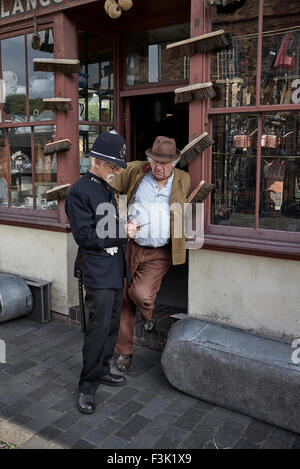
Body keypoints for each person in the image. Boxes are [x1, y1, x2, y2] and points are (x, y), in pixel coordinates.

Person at [65, 130, 138, 414]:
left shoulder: (106, 188)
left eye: (117, 166)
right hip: (96, 272)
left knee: (111, 326)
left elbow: (106, 226)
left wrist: (124, 223)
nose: (115, 171)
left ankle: (102, 369)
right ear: (96, 161)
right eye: (111, 166)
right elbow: (84, 236)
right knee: (97, 330)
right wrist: (123, 232)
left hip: (113, 267)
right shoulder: (79, 191)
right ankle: (86, 385)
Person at [110, 135, 191, 372]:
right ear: (149, 160)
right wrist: (122, 216)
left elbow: (192, 204)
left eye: (164, 163)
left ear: (174, 163)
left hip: (159, 252)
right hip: (131, 247)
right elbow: (111, 188)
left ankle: (149, 318)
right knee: (124, 297)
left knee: (141, 294)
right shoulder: (136, 171)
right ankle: (123, 352)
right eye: (155, 161)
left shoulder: (183, 180)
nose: (159, 167)